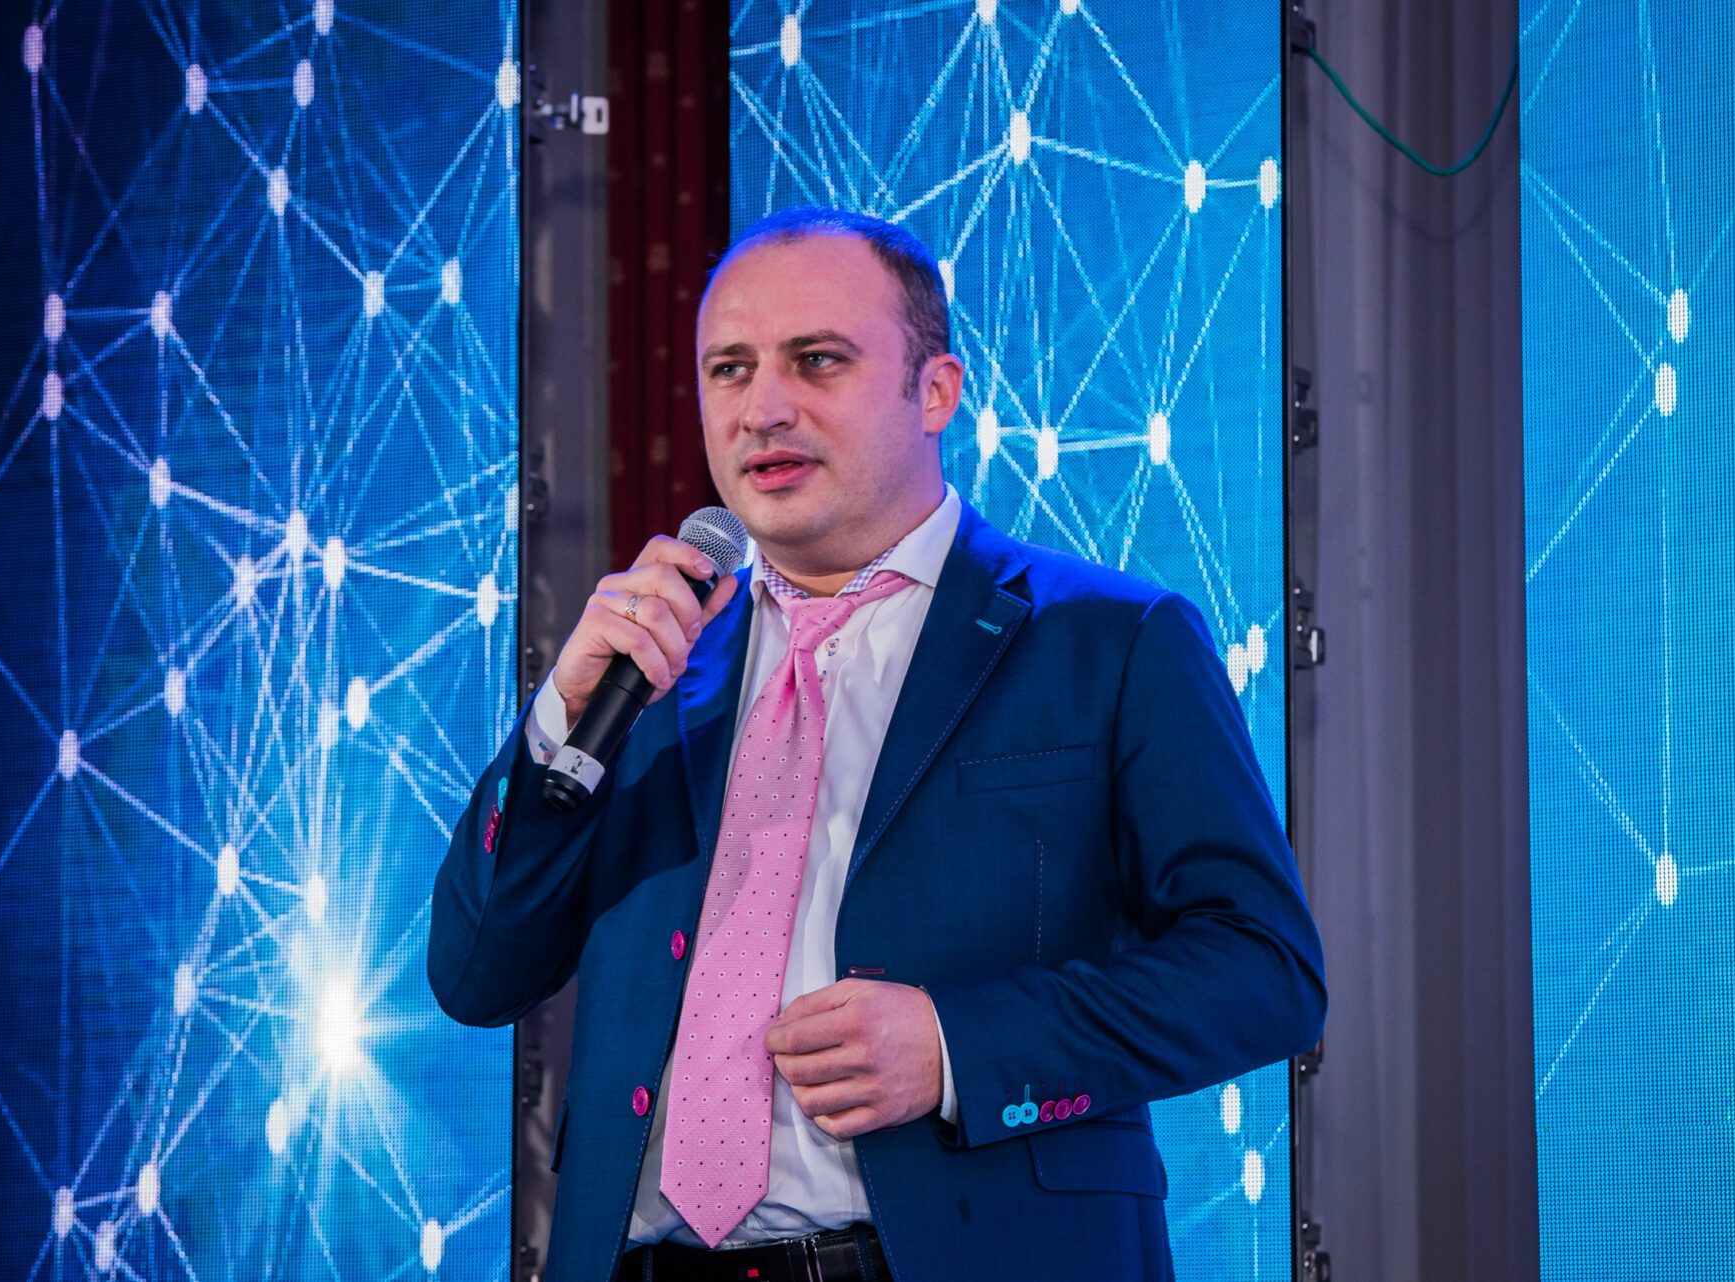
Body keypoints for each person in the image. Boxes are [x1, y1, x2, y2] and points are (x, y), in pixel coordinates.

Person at [428, 207, 1324, 1282]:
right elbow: (476, 976)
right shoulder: (656, 665)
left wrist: (955, 1048)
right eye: (729, 369)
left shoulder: (1109, 640)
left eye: (817, 360)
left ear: (935, 392)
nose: (763, 407)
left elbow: (1263, 969)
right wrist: (559, 729)